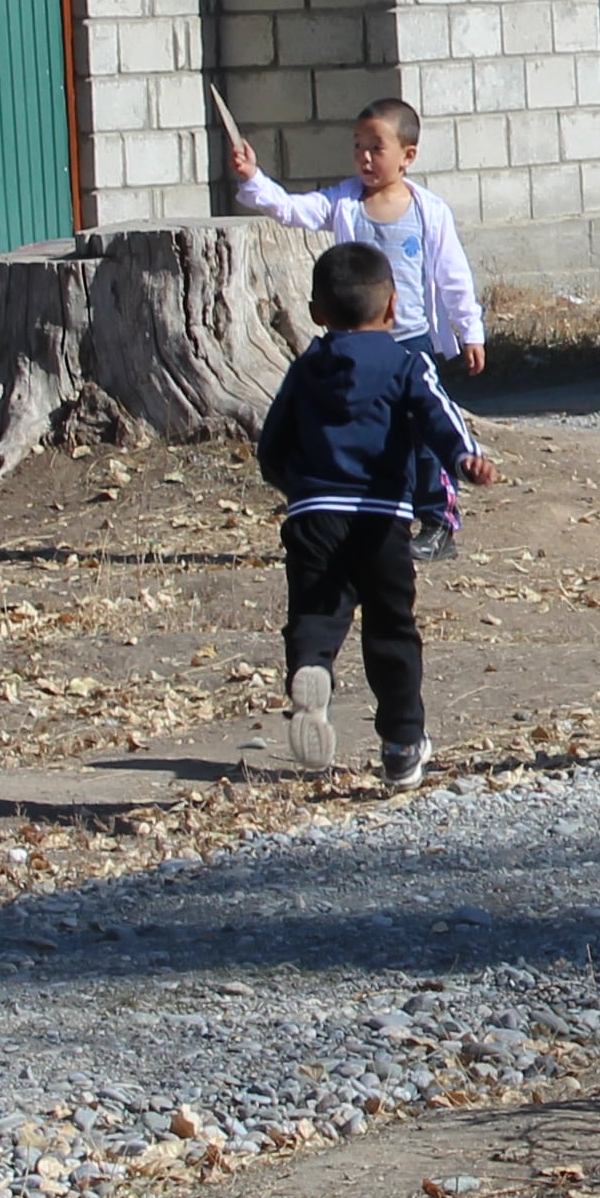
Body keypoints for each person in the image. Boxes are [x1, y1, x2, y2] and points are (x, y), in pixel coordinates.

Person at [253, 238, 493, 788]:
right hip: (380, 518)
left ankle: (311, 669)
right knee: (391, 629)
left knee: (315, 614)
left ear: (316, 314)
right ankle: (402, 743)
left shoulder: (306, 367)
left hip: (313, 514)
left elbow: (271, 446)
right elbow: (439, 415)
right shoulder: (406, 363)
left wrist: (299, 491)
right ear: (393, 307)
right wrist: (465, 457)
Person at [229, 100, 486, 376]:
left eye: (376, 148)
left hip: (412, 339)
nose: (365, 156)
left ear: (407, 156)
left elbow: (453, 275)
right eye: (358, 146)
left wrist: (471, 330)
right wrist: (253, 177)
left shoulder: (431, 212)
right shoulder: (343, 203)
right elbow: (290, 209)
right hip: (357, 339)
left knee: (413, 413)